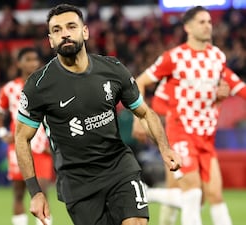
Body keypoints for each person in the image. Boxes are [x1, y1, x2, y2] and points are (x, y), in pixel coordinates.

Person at [14, 4, 181, 225]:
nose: (64, 33)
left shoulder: (112, 69)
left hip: (119, 167)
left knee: (136, 222)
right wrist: (35, 192)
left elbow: (145, 113)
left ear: (85, 31)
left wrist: (164, 146)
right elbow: (21, 138)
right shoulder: (39, 85)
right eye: (57, 30)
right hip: (77, 181)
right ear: (51, 40)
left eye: (71, 26)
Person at [132, 6, 246, 225]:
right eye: (202, 22)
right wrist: (138, 117)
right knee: (192, 194)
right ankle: (150, 195)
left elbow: (237, 87)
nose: (208, 26)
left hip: (206, 137)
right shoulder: (174, 58)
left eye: (209, 22)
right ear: (188, 27)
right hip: (180, 132)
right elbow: (140, 81)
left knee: (212, 195)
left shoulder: (217, 58)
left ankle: (149, 194)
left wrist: (220, 96)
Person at [0, 47, 53, 225]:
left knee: (42, 191)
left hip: (42, 147)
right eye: (28, 59)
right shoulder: (10, 88)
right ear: (19, 63)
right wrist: (1, 131)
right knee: (18, 193)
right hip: (19, 146)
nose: (33, 63)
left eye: (35, 59)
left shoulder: (47, 86)